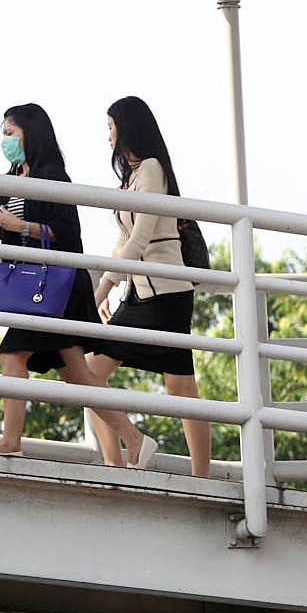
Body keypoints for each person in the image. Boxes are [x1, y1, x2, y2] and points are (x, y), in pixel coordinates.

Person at [0, 103, 153, 463]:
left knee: (12, 354)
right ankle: (135, 439)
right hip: (42, 290)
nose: (5, 141)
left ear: (30, 135)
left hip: (55, 289)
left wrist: (22, 227)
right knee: (76, 374)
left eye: (11, 134)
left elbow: (66, 232)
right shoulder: (12, 177)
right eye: (3, 134)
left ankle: (11, 441)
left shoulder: (52, 176)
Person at [83, 96, 203, 475]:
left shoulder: (151, 168)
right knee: (87, 372)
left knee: (181, 390)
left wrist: (101, 292)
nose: (108, 136)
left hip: (167, 295)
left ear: (127, 127)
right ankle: (117, 461)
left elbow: (139, 239)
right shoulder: (131, 177)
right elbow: (123, 241)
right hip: (139, 296)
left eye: (110, 126)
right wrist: (105, 288)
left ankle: (200, 475)